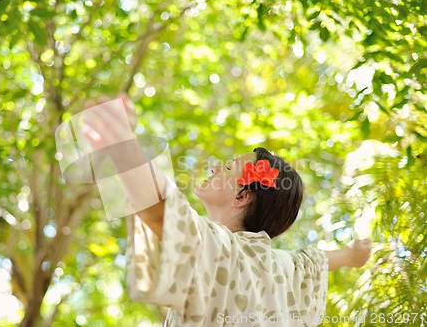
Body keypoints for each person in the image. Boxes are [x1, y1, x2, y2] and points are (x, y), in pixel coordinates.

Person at [82, 95, 372, 326]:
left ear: (242, 196)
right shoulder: (286, 266)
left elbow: (164, 215)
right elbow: (317, 261)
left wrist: (122, 147)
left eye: (230, 166)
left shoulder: (220, 251)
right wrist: (351, 256)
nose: (215, 167)